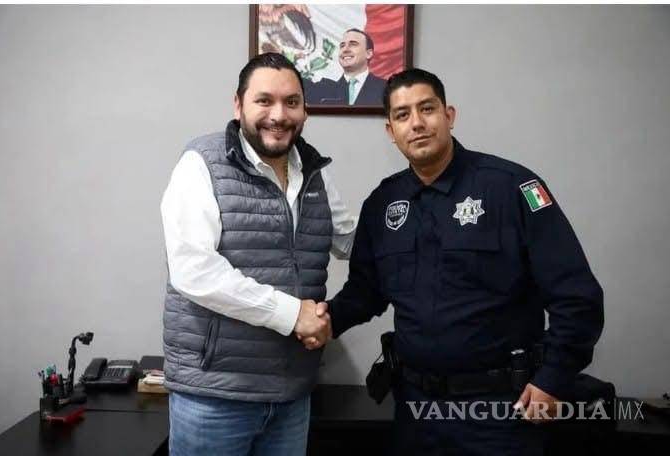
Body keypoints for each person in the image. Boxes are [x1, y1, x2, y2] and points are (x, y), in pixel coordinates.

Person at [305, 68, 604, 454]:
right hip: (416, 410)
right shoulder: (382, 203)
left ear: (449, 116)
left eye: (427, 109)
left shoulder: (512, 188)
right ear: (391, 131)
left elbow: (576, 296)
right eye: (402, 115)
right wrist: (318, 320)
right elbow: (365, 292)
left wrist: (553, 378)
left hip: (500, 411)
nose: (416, 123)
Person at [160, 52, 355, 456]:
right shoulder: (202, 162)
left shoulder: (313, 170)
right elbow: (194, 270)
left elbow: (352, 240)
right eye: (264, 100)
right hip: (215, 397)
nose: (278, 115)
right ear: (238, 105)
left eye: (291, 102)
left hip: (291, 392)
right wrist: (293, 314)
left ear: (305, 110)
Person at [307, 28, 386, 106]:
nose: (345, 49)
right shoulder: (323, 89)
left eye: (353, 44)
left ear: (368, 54)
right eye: (342, 45)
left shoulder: (386, 89)